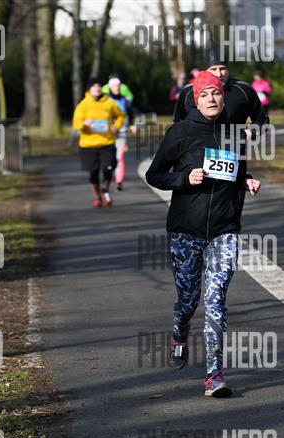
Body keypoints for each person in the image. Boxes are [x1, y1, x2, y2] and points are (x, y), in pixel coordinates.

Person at [146, 71, 262, 398]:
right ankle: (179, 329)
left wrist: (246, 181)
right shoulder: (180, 132)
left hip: (225, 229)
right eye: (204, 95)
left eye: (216, 93)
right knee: (189, 300)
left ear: (224, 97)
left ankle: (214, 374)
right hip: (186, 230)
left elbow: (235, 171)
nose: (212, 99)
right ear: (195, 100)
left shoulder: (234, 133)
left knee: (215, 300)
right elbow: (155, 174)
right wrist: (184, 178)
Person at [72, 78, 124, 207]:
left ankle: (104, 190)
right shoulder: (83, 105)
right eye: (94, 86)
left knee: (108, 169)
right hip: (89, 145)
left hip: (107, 143)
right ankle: (97, 197)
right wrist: (84, 124)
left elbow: (120, 115)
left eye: (99, 86)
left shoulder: (109, 103)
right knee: (93, 172)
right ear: (89, 89)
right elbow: (76, 123)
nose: (97, 88)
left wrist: (116, 126)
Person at [107, 77, 137, 191]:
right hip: (108, 133)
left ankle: (119, 181)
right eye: (115, 86)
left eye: (118, 85)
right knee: (110, 157)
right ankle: (108, 177)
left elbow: (130, 112)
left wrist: (132, 125)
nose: (117, 88)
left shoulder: (125, 100)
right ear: (110, 87)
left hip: (122, 132)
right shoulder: (106, 100)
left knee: (120, 157)